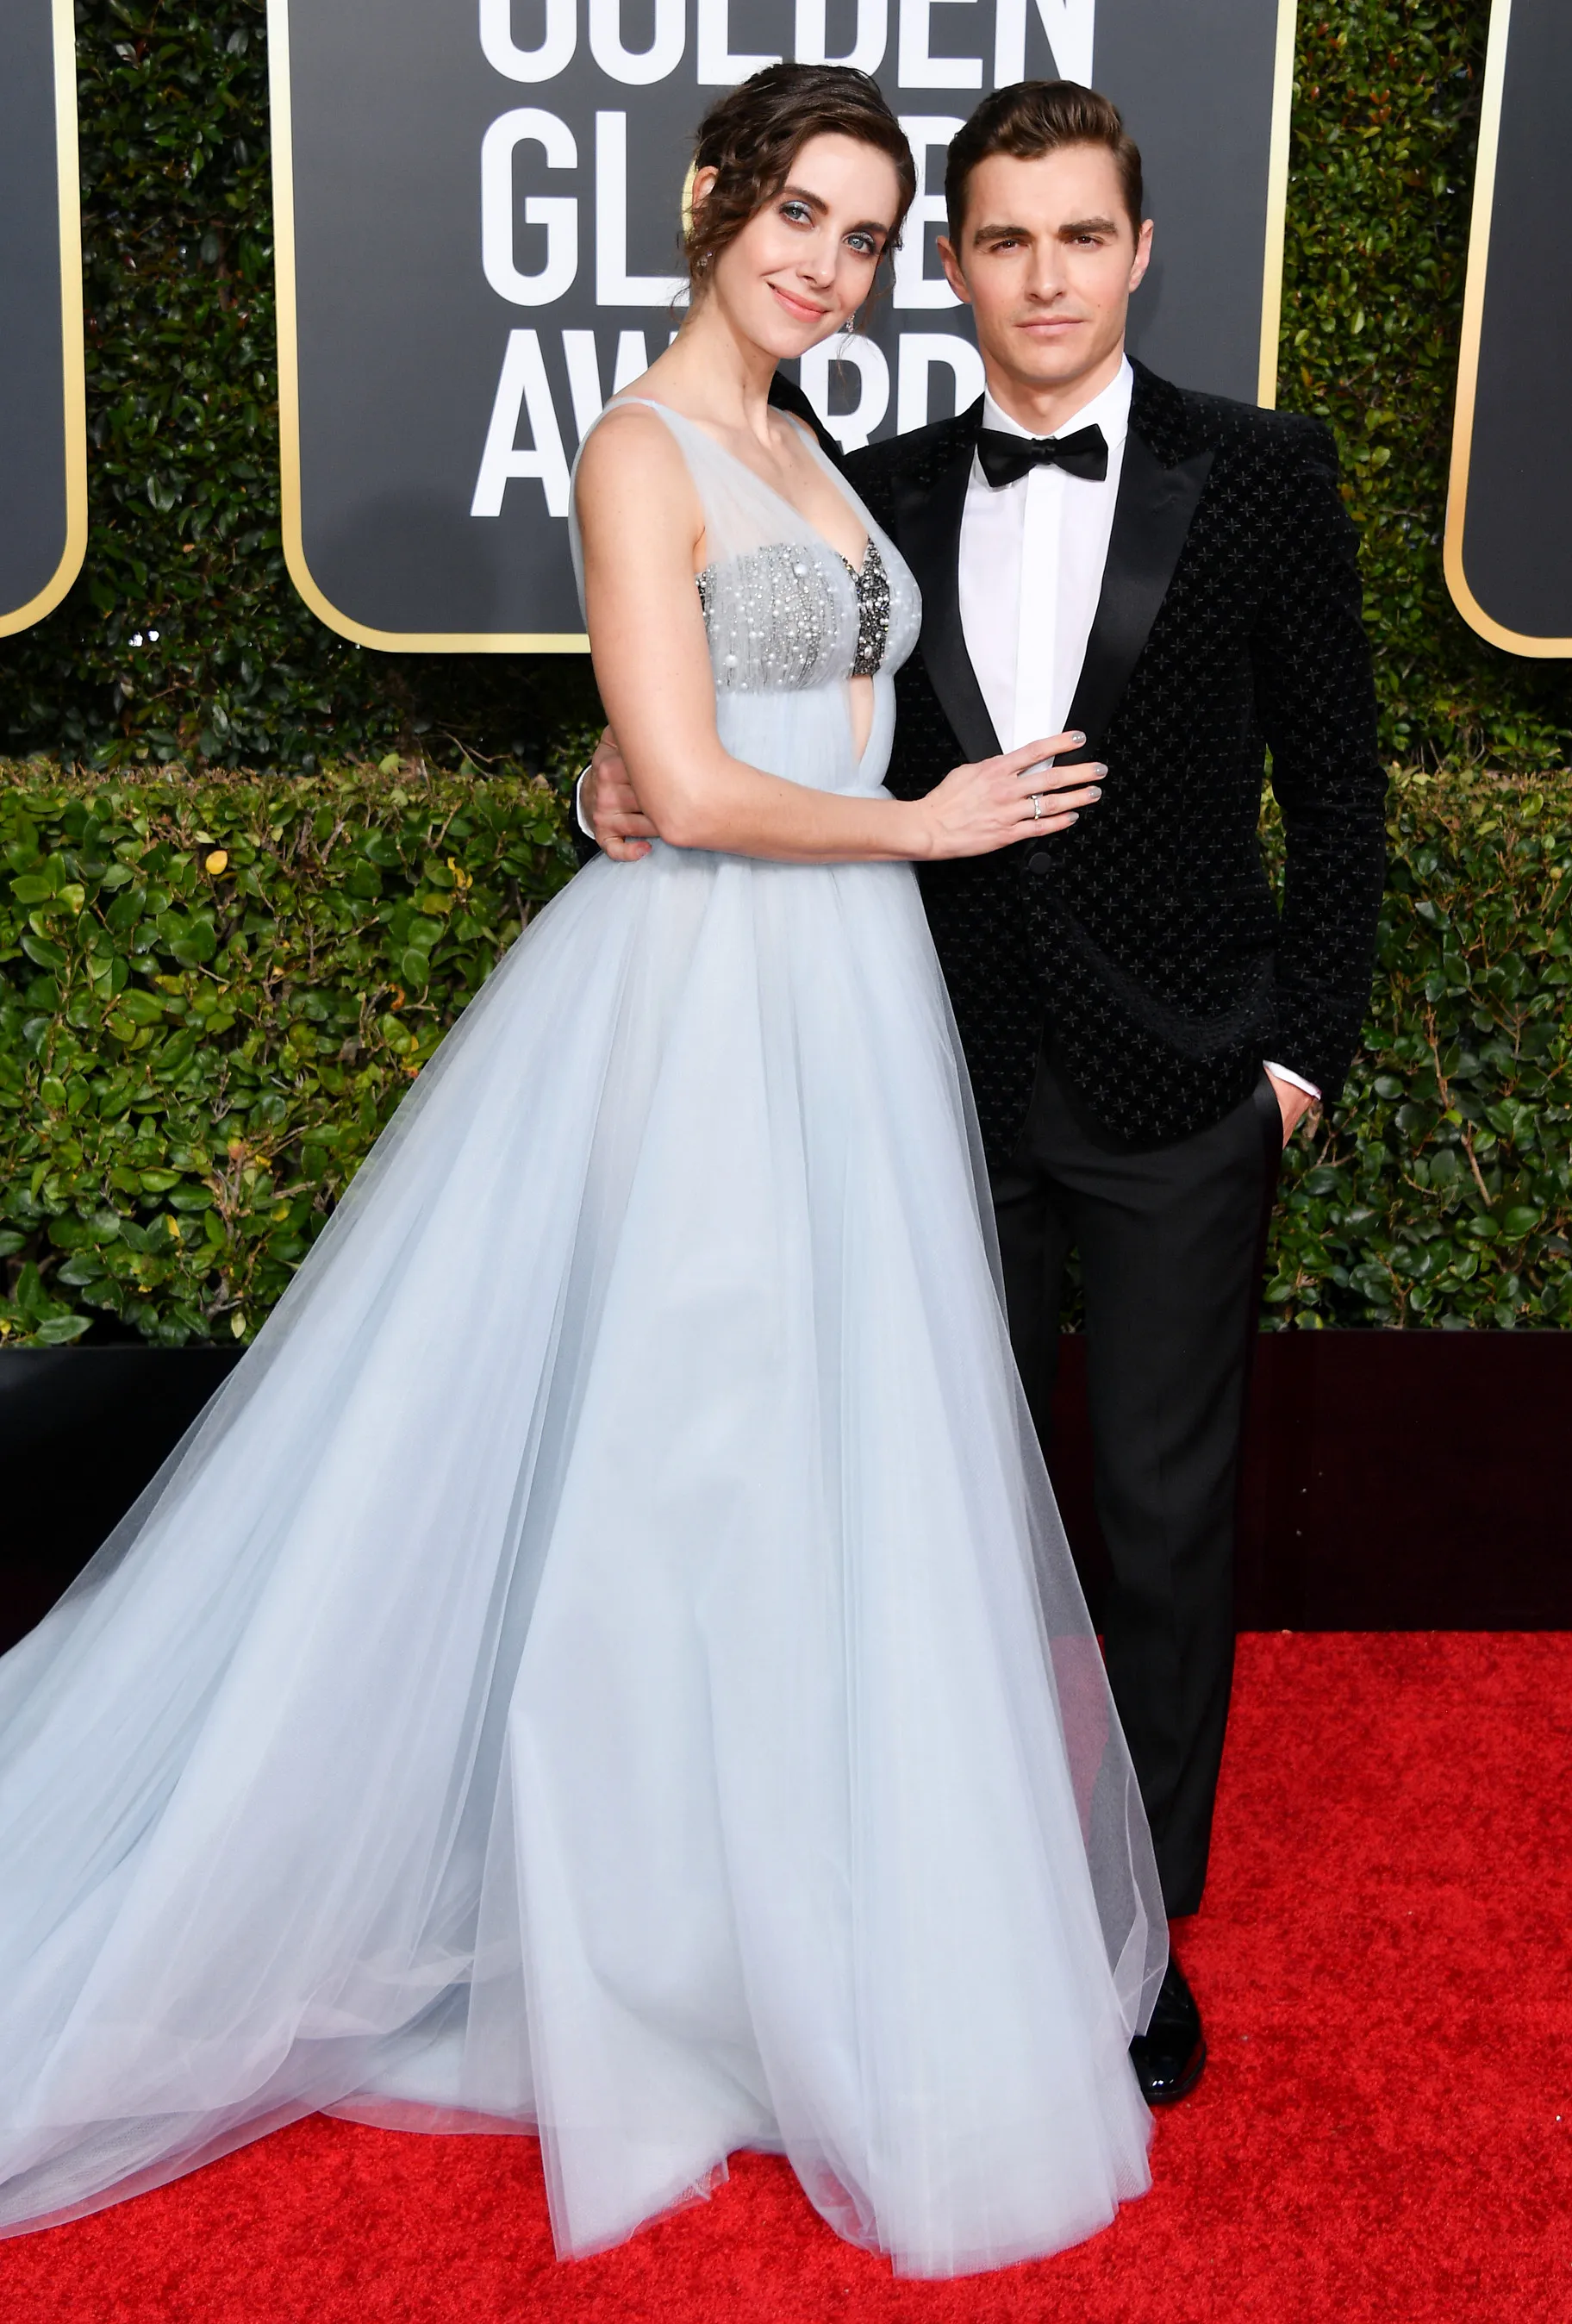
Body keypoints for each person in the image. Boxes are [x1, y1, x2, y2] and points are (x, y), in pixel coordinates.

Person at [0, 69, 1168, 2277]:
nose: (827, 265)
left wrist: (668, 787)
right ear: (714, 197)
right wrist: (894, 824)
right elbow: (700, 786)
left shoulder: (808, 447)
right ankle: (643, 1970)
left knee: (817, 1468)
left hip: (847, 1001)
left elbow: (724, 732)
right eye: (798, 214)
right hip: (709, 998)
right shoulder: (636, 447)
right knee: (681, 1466)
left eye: (864, 234)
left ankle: (770, 1935)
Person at [583, 80, 1388, 2106]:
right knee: (920, 1522)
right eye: (1001, 240)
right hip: (922, 1081)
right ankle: (944, 1901)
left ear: (1140, 252)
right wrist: (606, 784)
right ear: (953, 269)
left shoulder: (1263, 474)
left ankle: (1134, 1939)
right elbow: (747, 721)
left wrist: (1296, 1061)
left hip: (1186, 1090)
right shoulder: (868, 482)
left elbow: (1343, 793)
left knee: (1163, 1529)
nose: (1044, 278)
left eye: (1081, 237)